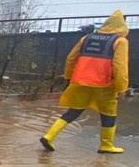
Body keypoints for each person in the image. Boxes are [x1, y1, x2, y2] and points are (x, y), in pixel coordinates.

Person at [40, 9, 130, 154]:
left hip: (80, 82)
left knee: (74, 111)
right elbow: (120, 66)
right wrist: (122, 88)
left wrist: (69, 78)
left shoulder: (86, 38)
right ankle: (106, 145)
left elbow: (70, 58)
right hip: (104, 85)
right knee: (108, 115)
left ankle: (49, 136)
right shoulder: (120, 42)